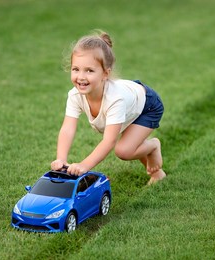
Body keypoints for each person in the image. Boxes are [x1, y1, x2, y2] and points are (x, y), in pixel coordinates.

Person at [50, 30, 166, 185]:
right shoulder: (75, 95)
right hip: (130, 102)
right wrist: (61, 159)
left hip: (147, 106)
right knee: (130, 141)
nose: (81, 77)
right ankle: (157, 174)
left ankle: (152, 146)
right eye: (76, 69)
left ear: (105, 73)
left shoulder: (114, 99)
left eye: (89, 70)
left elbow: (109, 141)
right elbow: (68, 128)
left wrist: (85, 165)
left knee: (124, 150)